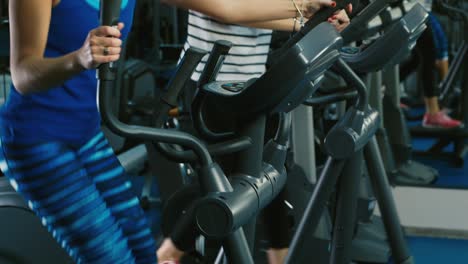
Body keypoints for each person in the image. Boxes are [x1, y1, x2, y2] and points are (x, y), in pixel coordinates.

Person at [157, 1, 351, 263]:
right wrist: (302, 10)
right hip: (213, 82)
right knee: (224, 184)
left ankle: (278, 257)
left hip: (254, 81)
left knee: (271, 171)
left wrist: (315, 19)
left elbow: (260, 16)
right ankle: (169, 253)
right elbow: (230, 10)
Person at [1, 0, 157, 263]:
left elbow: (223, 5)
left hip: (87, 135)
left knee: (144, 251)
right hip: (37, 139)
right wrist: (80, 58)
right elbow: (23, 75)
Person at [402, 0, 461, 128]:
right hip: (414, 9)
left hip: (420, 9)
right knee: (430, 54)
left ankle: (386, 90)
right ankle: (433, 111)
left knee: (419, 58)